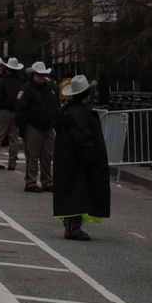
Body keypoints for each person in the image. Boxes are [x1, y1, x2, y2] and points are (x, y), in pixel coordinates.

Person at [52, 75, 110, 240]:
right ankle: (72, 228)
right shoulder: (78, 112)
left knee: (73, 192)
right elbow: (82, 138)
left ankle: (73, 227)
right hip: (76, 161)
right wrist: (90, 159)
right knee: (75, 194)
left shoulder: (69, 110)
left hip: (69, 159)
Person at [15, 61, 60, 192]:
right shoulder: (27, 90)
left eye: (42, 74)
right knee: (32, 156)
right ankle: (31, 182)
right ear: (33, 75)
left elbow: (56, 107)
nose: (40, 77)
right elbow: (20, 110)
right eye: (38, 74)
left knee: (47, 156)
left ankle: (47, 181)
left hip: (48, 127)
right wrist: (22, 128)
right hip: (33, 127)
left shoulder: (50, 89)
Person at [0, 57, 24, 170]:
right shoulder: (21, 82)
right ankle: (12, 162)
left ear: (7, 68)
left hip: (4, 112)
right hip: (16, 112)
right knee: (14, 139)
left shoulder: (2, 81)